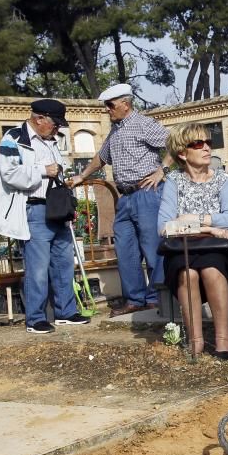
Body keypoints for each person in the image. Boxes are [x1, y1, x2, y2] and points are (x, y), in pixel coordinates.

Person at [68, 83, 169, 317]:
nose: (108, 110)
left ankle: (156, 298)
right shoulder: (116, 130)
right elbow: (101, 157)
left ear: (125, 104)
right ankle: (135, 299)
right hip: (125, 197)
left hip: (147, 194)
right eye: (106, 106)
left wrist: (162, 170)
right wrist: (82, 176)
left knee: (153, 249)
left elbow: (174, 143)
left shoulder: (144, 124)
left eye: (111, 106)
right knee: (125, 249)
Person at [0, 99, 90, 333]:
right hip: (33, 208)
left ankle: (65, 311)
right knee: (37, 267)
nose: (57, 129)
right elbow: (9, 173)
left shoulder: (52, 141)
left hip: (56, 208)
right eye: (54, 124)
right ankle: (35, 318)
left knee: (63, 263)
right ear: (39, 119)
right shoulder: (14, 138)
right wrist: (43, 171)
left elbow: (58, 168)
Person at [157, 123, 228, 358]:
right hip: (183, 248)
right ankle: (196, 341)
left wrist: (192, 218)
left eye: (208, 143)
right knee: (187, 273)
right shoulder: (173, 181)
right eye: (197, 143)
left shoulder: (223, 179)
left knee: (212, 269)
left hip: (217, 251)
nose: (206, 148)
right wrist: (210, 229)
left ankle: (223, 339)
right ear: (182, 153)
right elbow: (164, 228)